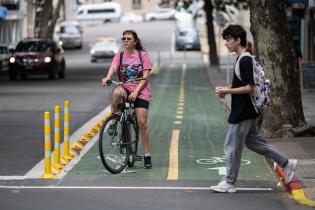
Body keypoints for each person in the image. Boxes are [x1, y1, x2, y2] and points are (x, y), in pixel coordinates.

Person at [210, 24, 297, 193]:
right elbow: (241, 84)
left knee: (231, 146)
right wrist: (226, 89)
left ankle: (229, 182)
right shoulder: (243, 59)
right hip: (248, 111)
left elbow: (249, 87)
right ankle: (287, 163)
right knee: (256, 144)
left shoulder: (245, 60)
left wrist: (227, 90)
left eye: (228, 40)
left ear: (238, 40)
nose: (226, 43)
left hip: (243, 112)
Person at [101, 29, 152, 169]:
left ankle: (147, 155)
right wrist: (108, 77)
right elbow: (113, 67)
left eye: (129, 39)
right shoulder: (120, 55)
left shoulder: (143, 55)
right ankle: (114, 120)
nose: (126, 41)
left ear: (135, 41)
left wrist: (136, 92)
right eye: (124, 39)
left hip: (141, 90)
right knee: (116, 93)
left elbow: (145, 77)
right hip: (125, 88)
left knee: (142, 122)